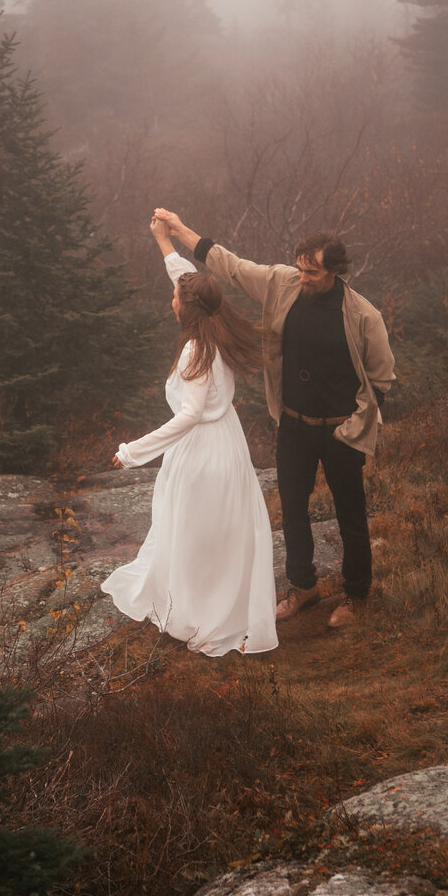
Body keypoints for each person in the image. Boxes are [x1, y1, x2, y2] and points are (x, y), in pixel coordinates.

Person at [152, 210, 395, 628]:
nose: (303, 278)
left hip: (341, 430)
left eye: (312, 273)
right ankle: (304, 587)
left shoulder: (363, 316)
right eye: (300, 269)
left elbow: (382, 380)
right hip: (294, 424)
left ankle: (356, 595)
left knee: (350, 515)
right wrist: (178, 229)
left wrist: (352, 429)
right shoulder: (283, 283)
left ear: (335, 271)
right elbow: (229, 264)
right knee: (293, 509)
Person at [101, 217, 278, 658]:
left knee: (196, 531)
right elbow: (189, 281)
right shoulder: (216, 323)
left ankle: (202, 612)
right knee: (218, 531)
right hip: (228, 444)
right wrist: (165, 241)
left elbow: (189, 415)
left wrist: (133, 452)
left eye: (175, 297)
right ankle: (219, 603)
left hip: (202, 452)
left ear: (186, 307)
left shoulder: (195, 350)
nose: (171, 301)